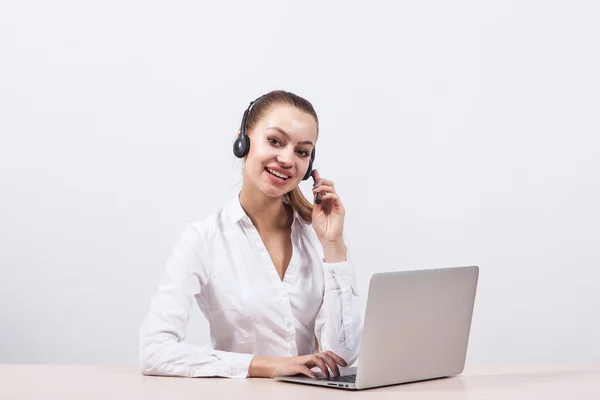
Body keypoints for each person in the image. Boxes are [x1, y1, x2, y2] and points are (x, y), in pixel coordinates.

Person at [139, 90, 362, 379]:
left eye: (302, 151)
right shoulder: (204, 239)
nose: (286, 159)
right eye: (274, 141)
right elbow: (154, 351)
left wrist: (334, 247)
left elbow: (342, 356)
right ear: (242, 141)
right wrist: (266, 366)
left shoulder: (317, 237)